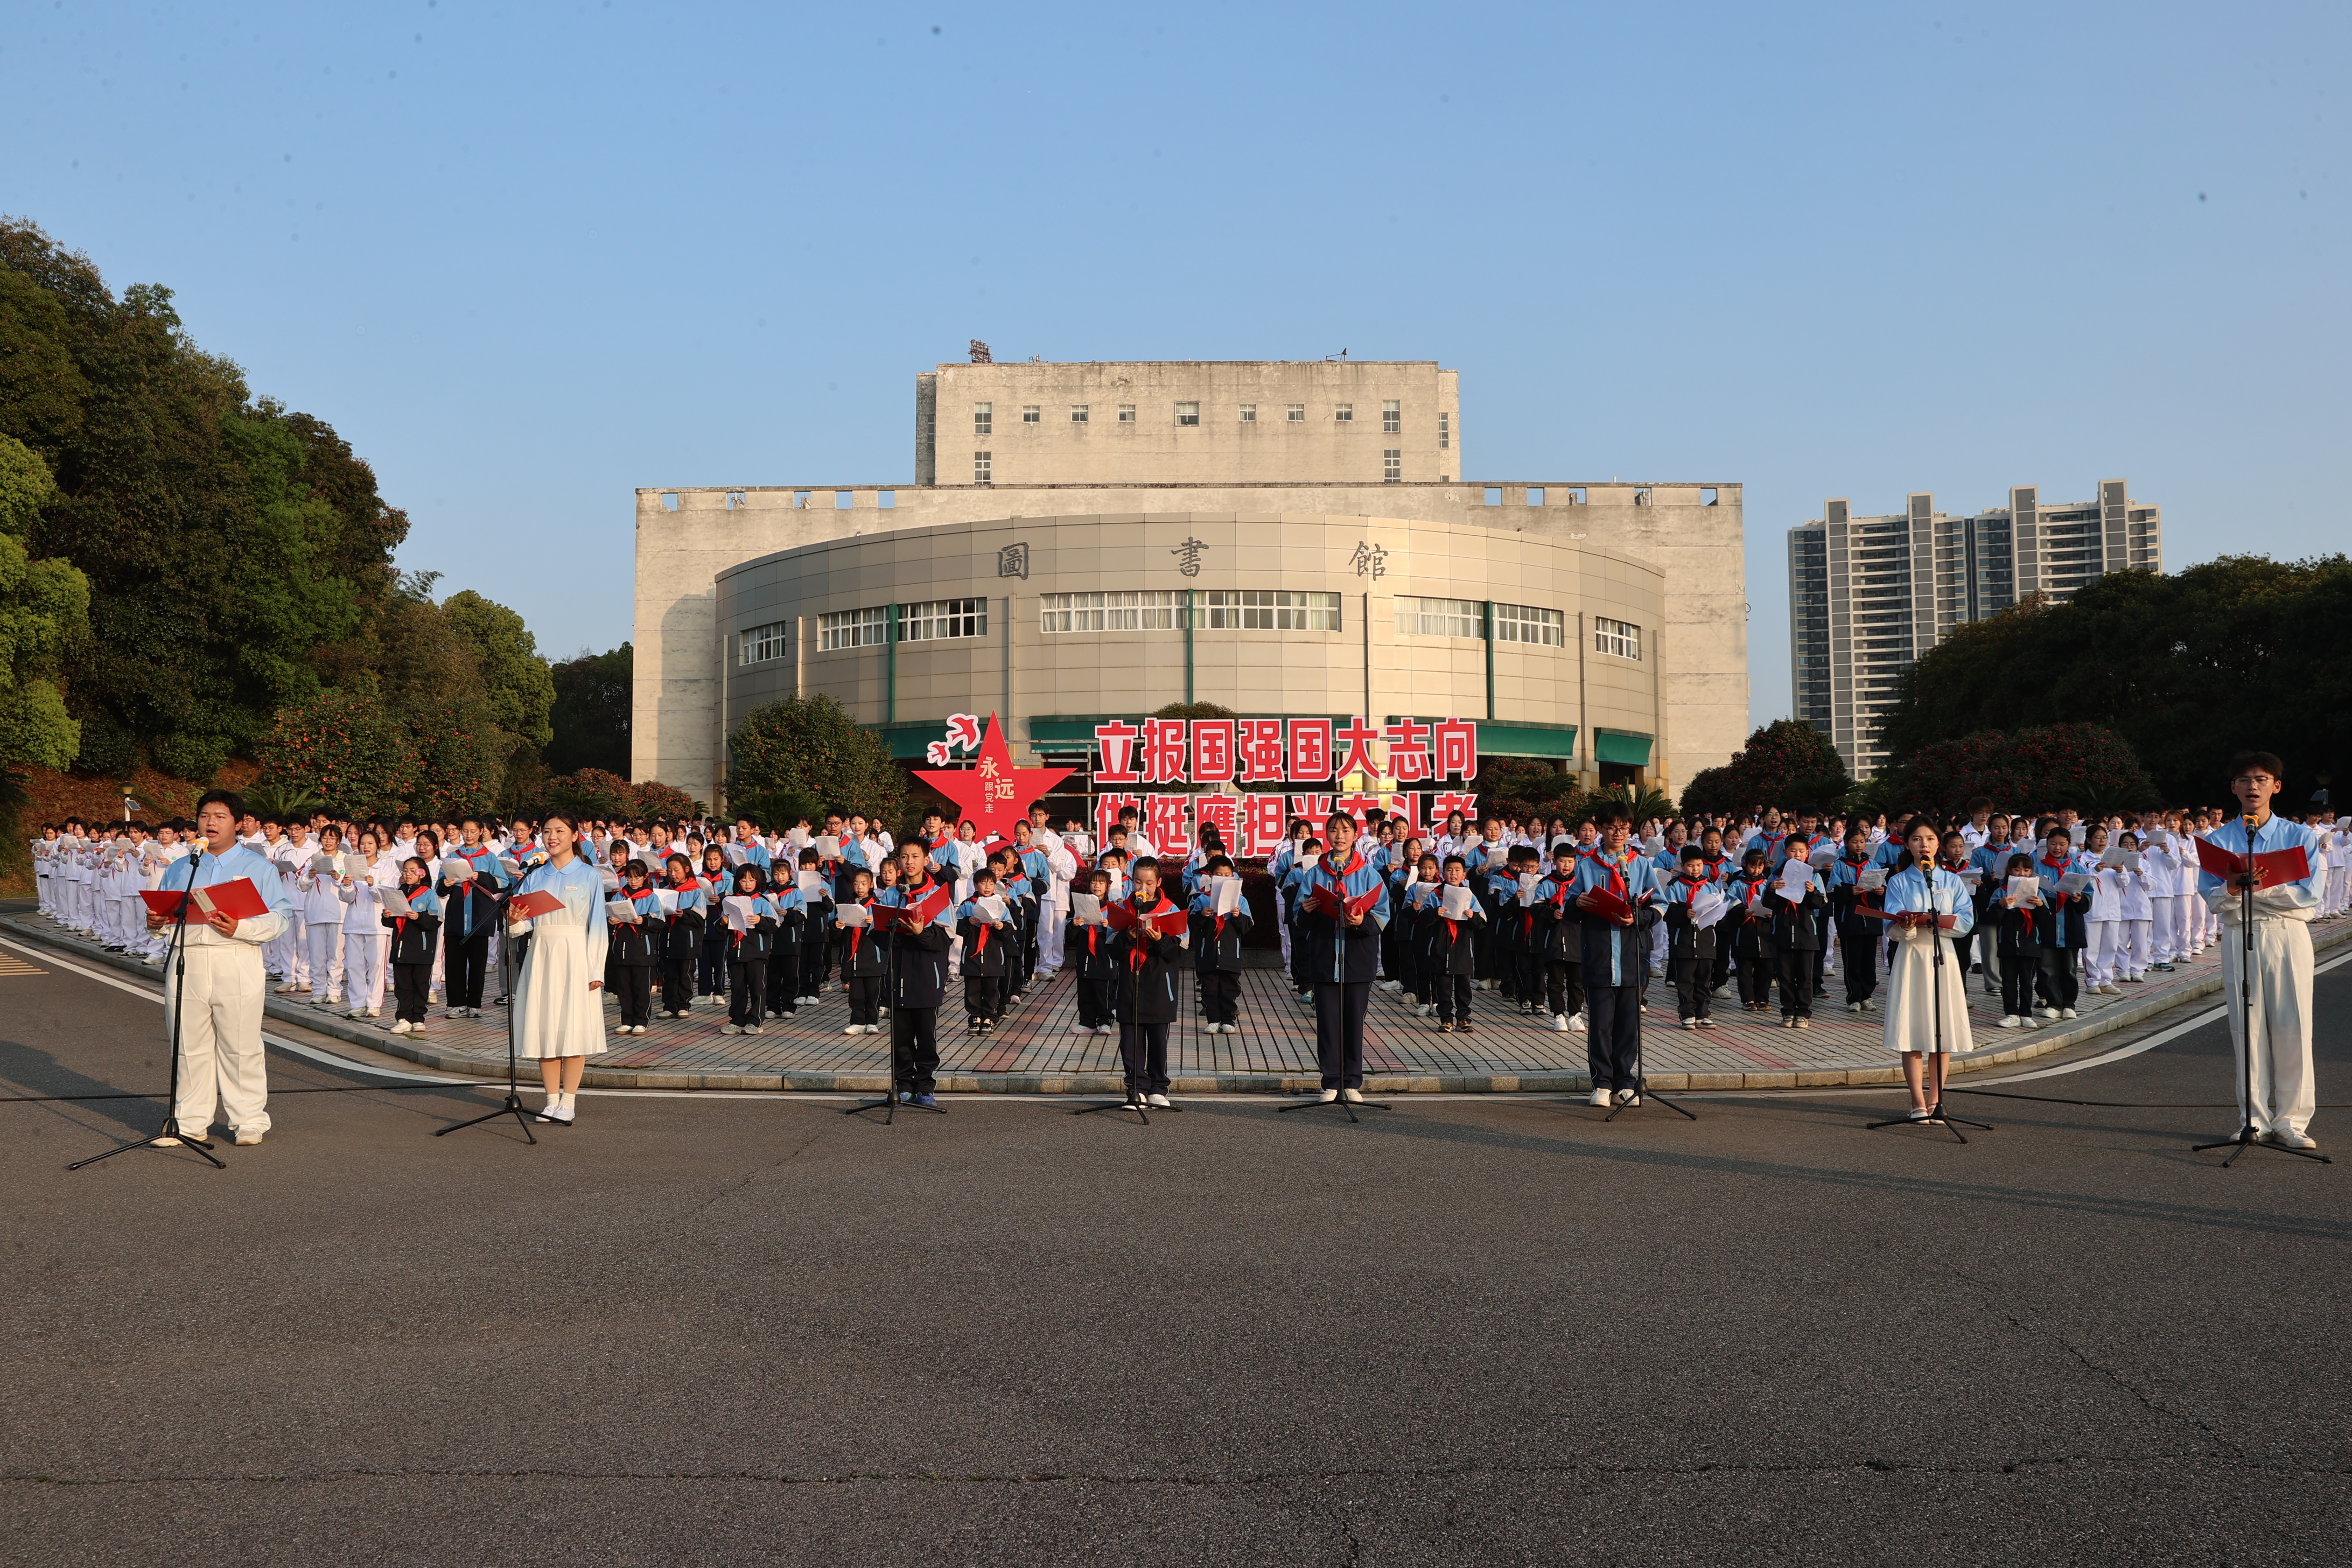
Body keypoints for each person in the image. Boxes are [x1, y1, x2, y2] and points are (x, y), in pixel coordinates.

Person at [144, 790, 297, 1147]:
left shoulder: (258, 867)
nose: (210, 822)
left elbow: (282, 916)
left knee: (240, 1044)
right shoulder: (183, 866)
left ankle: (248, 1121)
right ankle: (190, 1121)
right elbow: (168, 916)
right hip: (188, 961)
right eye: (204, 816)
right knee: (188, 1045)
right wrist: (156, 923)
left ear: (238, 823)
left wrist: (241, 928)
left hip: (236, 956)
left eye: (220, 816)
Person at [2200, 752, 2326, 1149]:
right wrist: (2236, 891)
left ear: (2277, 785)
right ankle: (2253, 1118)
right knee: (2246, 1027)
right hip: (2241, 935)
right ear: (2233, 787)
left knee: (2293, 1026)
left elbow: (2309, 900)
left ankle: (2293, 1121)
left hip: (2289, 936)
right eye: (2243, 779)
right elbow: (2215, 901)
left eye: (2261, 778)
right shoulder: (2219, 842)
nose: (2252, 786)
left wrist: (2255, 889)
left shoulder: (2299, 837)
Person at [1880, 816, 1977, 1120]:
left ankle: (1937, 1101)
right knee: (1912, 1026)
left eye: (1931, 839)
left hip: (1942, 956)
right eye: (1917, 840)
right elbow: (1890, 927)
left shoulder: (1950, 881)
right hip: (1912, 957)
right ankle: (1917, 1102)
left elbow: (1966, 919)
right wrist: (1906, 925)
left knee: (1941, 1028)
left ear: (1939, 844)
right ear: (1908, 845)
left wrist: (1942, 922)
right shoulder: (1897, 882)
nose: (1924, 845)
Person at [1571, 807, 1667, 1105]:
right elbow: (1571, 903)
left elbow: (1661, 905)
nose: (1618, 833)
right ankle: (1602, 1083)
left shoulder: (1640, 864)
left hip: (1631, 952)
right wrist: (1580, 903)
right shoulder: (1586, 864)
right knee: (1600, 1023)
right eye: (1612, 827)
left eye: (1624, 828)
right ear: (1601, 829)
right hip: (1599, 951)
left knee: (1629, 1022)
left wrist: (1638, 919)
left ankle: (1626, 1080)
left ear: (1631, 831)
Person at [1297, 813, 1391, 1104]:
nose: (1340, 835)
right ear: (1326, 834)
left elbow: (1383, 917)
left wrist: (1361, 921)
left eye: (1346, 830)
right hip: (1326, 958)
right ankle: (1330, 1082)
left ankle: (1351, 1081)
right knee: (1327, 1024)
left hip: (1358, 960)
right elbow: (1298, 919)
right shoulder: (1314, 872)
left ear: (1355, 835)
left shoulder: (1369, 873)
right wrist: (1308, 911)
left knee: (1353, 1023)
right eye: (1334, 830)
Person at [878, 841, 955, 1107]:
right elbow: (876, 936)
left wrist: (921, 932)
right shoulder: (890, 895)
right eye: (904, 857)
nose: (909, 862)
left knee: (926, 1035)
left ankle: (925, 1086)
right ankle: (903, 1086)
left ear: (926, 859)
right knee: (900, 1037)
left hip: (926, 974)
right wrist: (893, 930)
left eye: (915, 856)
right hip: (897, 974)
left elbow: (947, 938)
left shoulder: (938, 895)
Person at [1110, 856, 1189, 1107]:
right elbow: (1112, 950)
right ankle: (1136, 1088)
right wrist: (1128, 936)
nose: (1143, 889)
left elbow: (1179, 952)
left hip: (1159, 983)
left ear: (1159, 882)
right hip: (1130, 984)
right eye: (1138, 882)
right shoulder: (1122, 908)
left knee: (1157, 1040)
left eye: (1149, 883)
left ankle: (1158, 1087)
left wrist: (1159, 939)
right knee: (1131, 1041)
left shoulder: (1172, 909)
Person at [1188, 854, 1252, 1034]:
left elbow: (1247, 927)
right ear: (1210, 876)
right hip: (1208, 955)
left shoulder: (1240, 900)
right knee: (1210, 990)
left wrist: (1238, 916)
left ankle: (1228, 1020)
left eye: (1228, 875)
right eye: (1219, 875)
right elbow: (1191, 924)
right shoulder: (1200, 899)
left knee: (1230, 989)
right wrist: (1202, 915)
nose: (1224, 878)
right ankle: (1213, 1020)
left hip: (1231, 954)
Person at [1662, 844, 1721, 1029]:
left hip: (1706, 941)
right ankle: (1687, 1014)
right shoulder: (1675, 886)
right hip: (1684, 941)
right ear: (1682, 866)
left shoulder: (1710, 886)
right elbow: (1668, 912)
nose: (1695, 869)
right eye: (1690, 866)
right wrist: (1684, 913)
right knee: (1686, 980)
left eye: (1698, 865)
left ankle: (1703, 1013)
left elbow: (1719, 910)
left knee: (1704, 980)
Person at [384, 857, 443, 1037]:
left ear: (421, 873)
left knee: (420, 984)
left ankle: (418, 1018)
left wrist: (419, 917)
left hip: (422, 948)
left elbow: (437, 920)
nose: (408, 874)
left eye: (412, 871)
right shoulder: (399, 892)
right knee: (402, 985)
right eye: (405, 871)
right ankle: (403, 1018)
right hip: (401, 946)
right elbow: (390, 922)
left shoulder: (428, 894)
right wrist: (387, 915)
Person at [719, 864, 778, 1035]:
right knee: (737, 987)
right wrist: (722, 922)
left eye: (751, 880)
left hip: (756, 952)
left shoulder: (763, 900)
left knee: (757, 988)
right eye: (743, 880)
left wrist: (759, 920)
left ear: (758, 881)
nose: (747, 883)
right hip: (736, 951)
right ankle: (737, 1020)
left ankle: (755, 1020)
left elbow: (773, 925)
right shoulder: (730, 900)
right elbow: (721, 927)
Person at [1428, 855, 1484, 1033]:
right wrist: (1435, 913)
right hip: (1440, 945)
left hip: (1463, 947)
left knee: (1464, 986)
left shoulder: (1469, 896)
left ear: (1464, 875)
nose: (1453, 874)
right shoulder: (1435, 895)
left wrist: (1472, 916)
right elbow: (1422, 918)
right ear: (1443, 873)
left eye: (1458, 870)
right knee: (1442, 986)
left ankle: (1463, 1018)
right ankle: (1446, 1018)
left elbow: (1482, 921)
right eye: (1450, 870)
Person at [1993, 852, 2048, 1029]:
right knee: (2008, 981)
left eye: (2026, 870)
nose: (2021, 874)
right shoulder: (2001, 892)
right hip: (2007, 944)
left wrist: (2039, 906)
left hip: (2029, 944)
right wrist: (2001, 905)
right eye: (2017, 870)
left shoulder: (2037, 892)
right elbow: (1991, 917)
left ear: (2031, 872)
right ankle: (2011, 1013)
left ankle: (2026, 1014)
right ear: (2009, 871)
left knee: (2026, 981)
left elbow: (2046, 919)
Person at [607, 859, 662, 1034]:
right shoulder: (620, 895)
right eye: (630, 877)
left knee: (641, 987)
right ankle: (627, 1020)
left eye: (637, 878)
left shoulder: (651, 897)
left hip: (642, 949)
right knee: (624, 987)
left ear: (645, 877)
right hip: (622, 948)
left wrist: (644, 920)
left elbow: (660, 922)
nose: (633, 881)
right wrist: (612, 920)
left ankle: (642, 1020)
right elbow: (609, 914)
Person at [958, 865, 1014, 1032]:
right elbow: (956, 927)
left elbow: (1011, 928)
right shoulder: (968, 905)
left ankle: (990, 1017)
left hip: (994, 956)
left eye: (991, 883)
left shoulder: (1000, 905)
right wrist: (969, 922)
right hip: (972, 956)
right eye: (983, 883)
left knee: (992, 989)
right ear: (976, 886)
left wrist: (1001, 926)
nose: (988, 887)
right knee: (972, 989)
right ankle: (975, 1016)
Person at [835, 867, 886, 1034]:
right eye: (856, 884)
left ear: (871, 885)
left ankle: (872, 1022)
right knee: (856, 994)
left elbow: (887, 927)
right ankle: (857, 1021)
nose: (860, 887)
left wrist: (876, 921)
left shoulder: (878, 904)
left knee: (873, 993)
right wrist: (838, 926)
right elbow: (837, 933)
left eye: (864, 884)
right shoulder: (847, 904)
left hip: (872, 956)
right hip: (853, 956)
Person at [1069, 867, 1119, 1037]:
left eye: (1101, 882)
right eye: (1093, 882)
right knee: (1085, 992)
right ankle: (1086, 1022)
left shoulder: (1112, 908)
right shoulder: (1081, 905)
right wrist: (1075, 925)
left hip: (1105, 958)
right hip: (1085, 958)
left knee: (1103, 993)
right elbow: (1070, 936)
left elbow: (1120, 935)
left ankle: (1105, 1022)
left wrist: (1108, 926)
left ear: (1108, 886)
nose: (1096, 885)